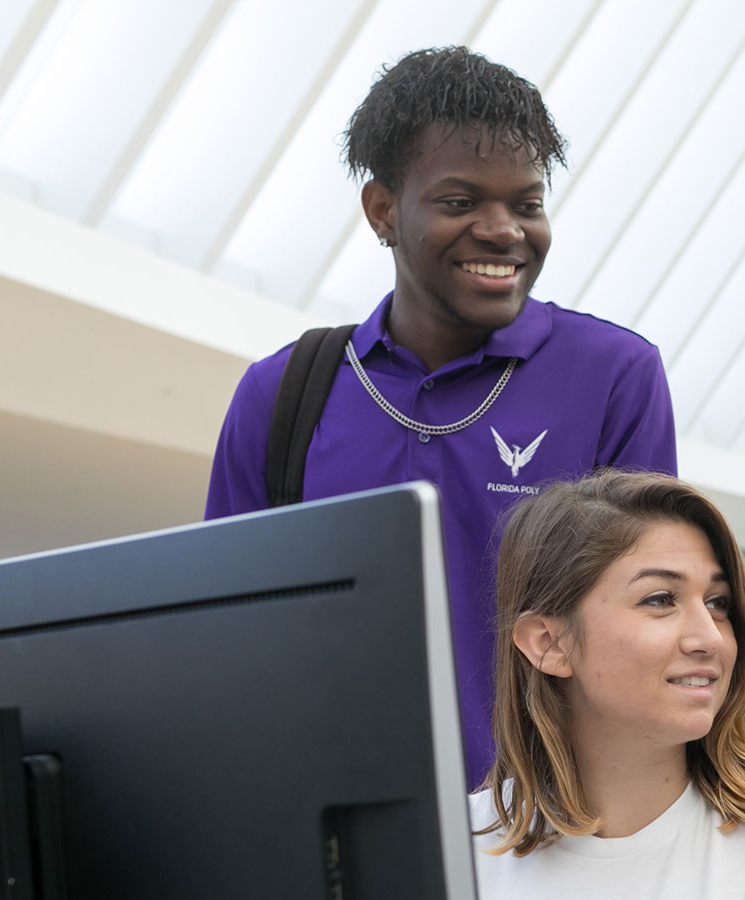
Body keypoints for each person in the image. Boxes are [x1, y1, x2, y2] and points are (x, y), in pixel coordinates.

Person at [204, 47, 677, 785]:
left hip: (553, 827)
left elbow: (651, 620)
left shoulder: (613, 375)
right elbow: (230, 638)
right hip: (343, 827)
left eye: (526, 204)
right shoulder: (280, 397)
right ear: (384, 210)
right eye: (460, 203)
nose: (502, 231)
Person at [470, 471, 745, 898]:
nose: (710, 638)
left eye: (718, 603)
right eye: (660, 599)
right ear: (550, 643)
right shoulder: (450, 855)